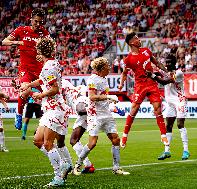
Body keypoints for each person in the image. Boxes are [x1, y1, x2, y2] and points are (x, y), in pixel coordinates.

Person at [20, 38, 71, 187]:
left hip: (55, 109)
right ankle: (63, 164)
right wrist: (29, 84)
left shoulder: (48, 67)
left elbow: (54, 88)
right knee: (37, 140)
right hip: (50, 108)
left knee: (48, 143)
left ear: (39, 51)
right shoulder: (51, 63)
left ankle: (58, 177)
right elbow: (43, 81)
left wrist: (39, 95)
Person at [73, 57, 130, 175]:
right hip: (95, 115)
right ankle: (78, 164)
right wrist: (109, 97)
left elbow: (102, 97)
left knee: (115, 139)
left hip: (106, 114)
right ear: (102, 68)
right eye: (107, 67)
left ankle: (116, 167)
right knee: (92, 143)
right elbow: (92, 97)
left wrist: (111, 103)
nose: (109, 68)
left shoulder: (104, 79)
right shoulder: (92, 79)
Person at [118, 32, 170, 150]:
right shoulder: (128, 59)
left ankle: (163, 135)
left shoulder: (146, 51)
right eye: (136, 38)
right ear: (132, 43)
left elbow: (157, 63)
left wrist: (166, 72)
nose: (139, 39)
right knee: (134, 110)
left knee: (158, 107)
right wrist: (121, 84)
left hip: (151, 83)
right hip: (140, 86)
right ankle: (125, 135)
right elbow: (125, 73)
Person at [2, 8, 50, 130]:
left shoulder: (44, 33)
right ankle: (18, 115)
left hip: (40, 70)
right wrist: (19, 42)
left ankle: (48, 119)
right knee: (25, 90)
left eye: (40, 22)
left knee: (48, 95)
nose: (38, 24)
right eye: (36, 21)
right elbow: (4, 41)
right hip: (26, 69)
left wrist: (43, 55)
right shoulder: (21, 30)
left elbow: (50, 49)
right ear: (31, 19)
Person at [146, 61, 190, 160]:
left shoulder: (178, 73)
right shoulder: (166, 72)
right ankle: (167, 151)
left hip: (180, 101)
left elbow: (164, 82)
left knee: (180, 124)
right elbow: (159, 72)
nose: (168, 72)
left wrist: (152, 75)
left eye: (169, 70)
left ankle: (186, 150)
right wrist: (149, 72)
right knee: (168, 126)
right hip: (170, 103)